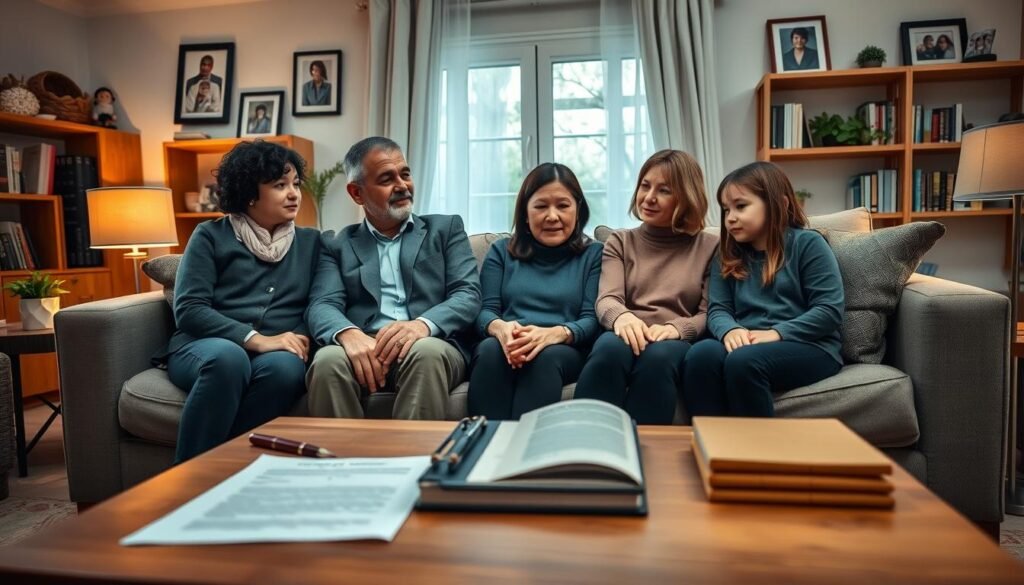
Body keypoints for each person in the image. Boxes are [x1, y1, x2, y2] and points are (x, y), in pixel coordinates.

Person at [156, 140, 321, 463]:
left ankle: (226, 466)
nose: (294, 194)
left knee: (286, 369)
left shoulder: (312, 242)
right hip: (204, 345)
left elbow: (318, 303)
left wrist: (297, 337)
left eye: (295, 184)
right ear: (248, 193)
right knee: (228, 359)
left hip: (277, 350)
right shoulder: (209, 235)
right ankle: (187, 478)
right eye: (279, 185)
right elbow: (189, 309)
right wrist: (256, 340)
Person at [305, 136, 481, 420]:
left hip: (430, 342)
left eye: (405, 174)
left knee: (427, 354)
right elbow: (322, 304)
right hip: (365, 343)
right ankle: (338, 462)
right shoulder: (337, 244)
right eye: (387, 178)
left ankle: (413, 462)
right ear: (357, 193)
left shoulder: (445, 229)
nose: (402, 185)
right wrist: (349, 335)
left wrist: (422, 326)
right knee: (327, 361)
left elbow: (467, 294)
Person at [683, 161, 844, 418]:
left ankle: (756, 454)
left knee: (744, 362)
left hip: (811, 347)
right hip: (748, 341)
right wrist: (730, 330)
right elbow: (718, 309)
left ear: (779, 204)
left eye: (741, 206)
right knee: (700, 355)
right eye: (726, 210)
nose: (730, 218)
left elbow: (828, 311)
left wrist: (776, 333)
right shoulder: (726, 254)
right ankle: (713, 446)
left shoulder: (808, 244)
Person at [572, 150, 718, 425]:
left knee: (658, 359)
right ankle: (582, 444)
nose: (649, 197)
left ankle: (642, 454)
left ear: (686, 197)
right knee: (608, 351)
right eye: (645, 185)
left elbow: (710, 312)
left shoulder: (710, 247)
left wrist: (678, 329)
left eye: (664, 190)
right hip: (626, 331)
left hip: (673, 338)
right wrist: (623, 317)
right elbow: (607, 299)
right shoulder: (620, 241)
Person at [467, 163, 603, 420]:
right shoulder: (501, 251)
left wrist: (555, 334)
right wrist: (501, 329)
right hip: (509, 344)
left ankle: (530, 452)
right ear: (526, 213)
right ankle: (485, 445)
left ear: (578, 210)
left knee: (545, 357)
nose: (552, 216)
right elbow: (484, 311)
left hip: (564, 348)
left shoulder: (594, 254)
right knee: (488, 350)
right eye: (541, 206)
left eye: (563, 205)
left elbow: (591, 319)